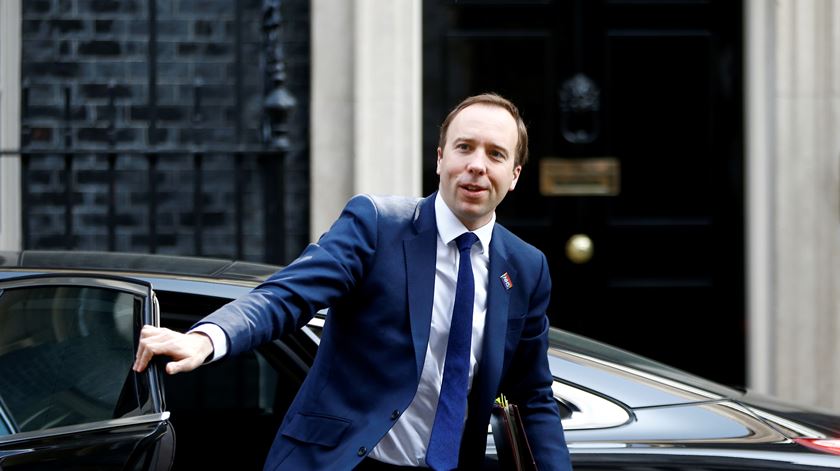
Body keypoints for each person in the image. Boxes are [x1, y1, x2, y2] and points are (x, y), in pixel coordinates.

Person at [133, 93, 572, 471]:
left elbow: (533, 395)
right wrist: (207, 339)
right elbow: (288, 295)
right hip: (346, 461)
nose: (477, 165)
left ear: (514, 175)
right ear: (440, 158)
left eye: (495, 154)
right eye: (464, 147)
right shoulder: (377, 226)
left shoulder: (526, 267)